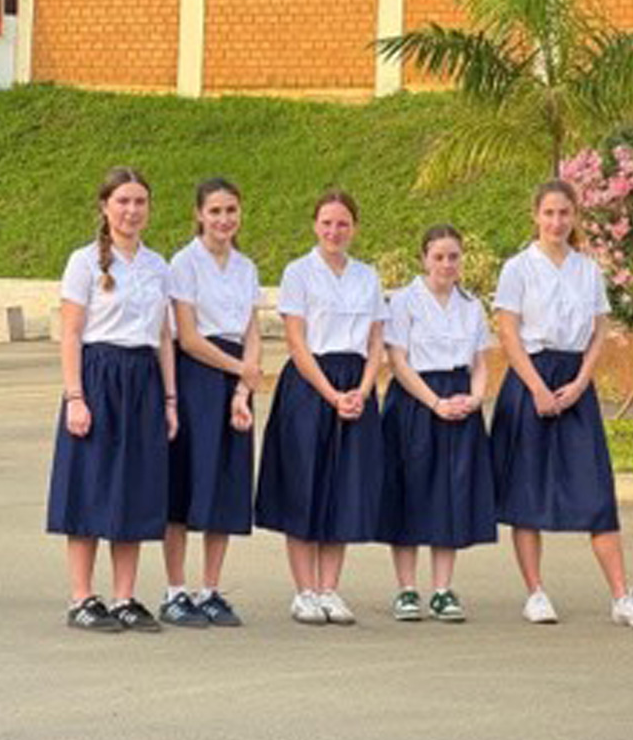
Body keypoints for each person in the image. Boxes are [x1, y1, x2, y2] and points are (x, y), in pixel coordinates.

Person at [490, 179, 633, 629]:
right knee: (527, 490)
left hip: (576, 384)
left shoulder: (588, 270)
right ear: (535, 215)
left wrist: (583, 380)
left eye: (564, 213)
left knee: (596, 489)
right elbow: (508, 332)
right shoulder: (518, 268)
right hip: (531, 381)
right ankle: (536, 593)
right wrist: (537, 389)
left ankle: (622, 596)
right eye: (549, 213)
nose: (557, 222)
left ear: (575, 217)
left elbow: (600, 329)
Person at [47, 167, 178, 633]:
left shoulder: (158, 265)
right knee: (89, 484)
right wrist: (75, 397)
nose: (131, 210)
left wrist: (169, 400)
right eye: (122, 201)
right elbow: (71, 333)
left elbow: (164, 338)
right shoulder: (84, 262)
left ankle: (124, 596)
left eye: (140, 201)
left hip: (142, 379)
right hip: (99, 375)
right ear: (105, 206)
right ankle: (82, 597)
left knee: (135, 488)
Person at [255, 190, 386, 626]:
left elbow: (375, 343)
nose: (335, 231)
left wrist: (363, 391)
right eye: (327, 223)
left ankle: (330, 588)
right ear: (315, 225)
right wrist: (332, 394)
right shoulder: (299, 272)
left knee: (342, 488)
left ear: (355, 227)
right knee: (303, 484)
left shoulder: (367, 276)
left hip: (356, 387)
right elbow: (296, 340)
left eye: (343, 223)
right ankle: (304, 591)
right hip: (310, 387)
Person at [379, 225, 497, 623]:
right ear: (424, 259)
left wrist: (476, 398)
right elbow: (397, 360)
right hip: (415, 401)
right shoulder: (405, 302)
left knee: (452, 493)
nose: (447, 264)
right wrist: (433, 403)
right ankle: (407, 589)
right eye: (439, 257)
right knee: (410, 490)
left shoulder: (471, 305)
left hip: (460, 399)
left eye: (453, 257)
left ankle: (443, 590)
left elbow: (481, 362)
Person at [160, 178, 263, 628]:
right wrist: (238, 370)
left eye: (231, 211)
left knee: (225, 481)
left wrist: (244, 387)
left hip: (237, 378)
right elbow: (188, 336)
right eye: (215, 211)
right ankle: (175, 590)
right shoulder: (183, 264)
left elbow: (253, 332)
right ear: (199, 214)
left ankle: (211, 589)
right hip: (197, 376)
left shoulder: (246, 267)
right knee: (185, 483)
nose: (224, 219)